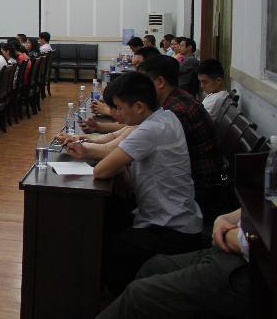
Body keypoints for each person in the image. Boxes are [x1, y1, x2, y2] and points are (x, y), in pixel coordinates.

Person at [66, 72, 203, 295]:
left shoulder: (150, 129)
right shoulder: (165, 117)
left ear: (139, 107)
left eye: (119, 108)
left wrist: (110, 162)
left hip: (172, 229)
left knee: (102, 239)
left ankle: (116, 297)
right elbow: (122, 168)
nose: (116, 114)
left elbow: (101, 171)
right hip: (175, 217)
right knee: (107, 217)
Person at [98, 208, 249, 319]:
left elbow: (252, 242)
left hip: (247, 270)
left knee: (138, 296)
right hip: (227, 250)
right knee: (153, 267)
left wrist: (226, 233)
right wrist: (223, 219)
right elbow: (251, 208)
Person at [138, 55, 220, 219]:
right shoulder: (176, 98)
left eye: (143, 84)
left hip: (200, 185)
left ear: (160, 82)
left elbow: (144, 142)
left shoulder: (176, 110)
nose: (139, 90)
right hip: (200, 177)